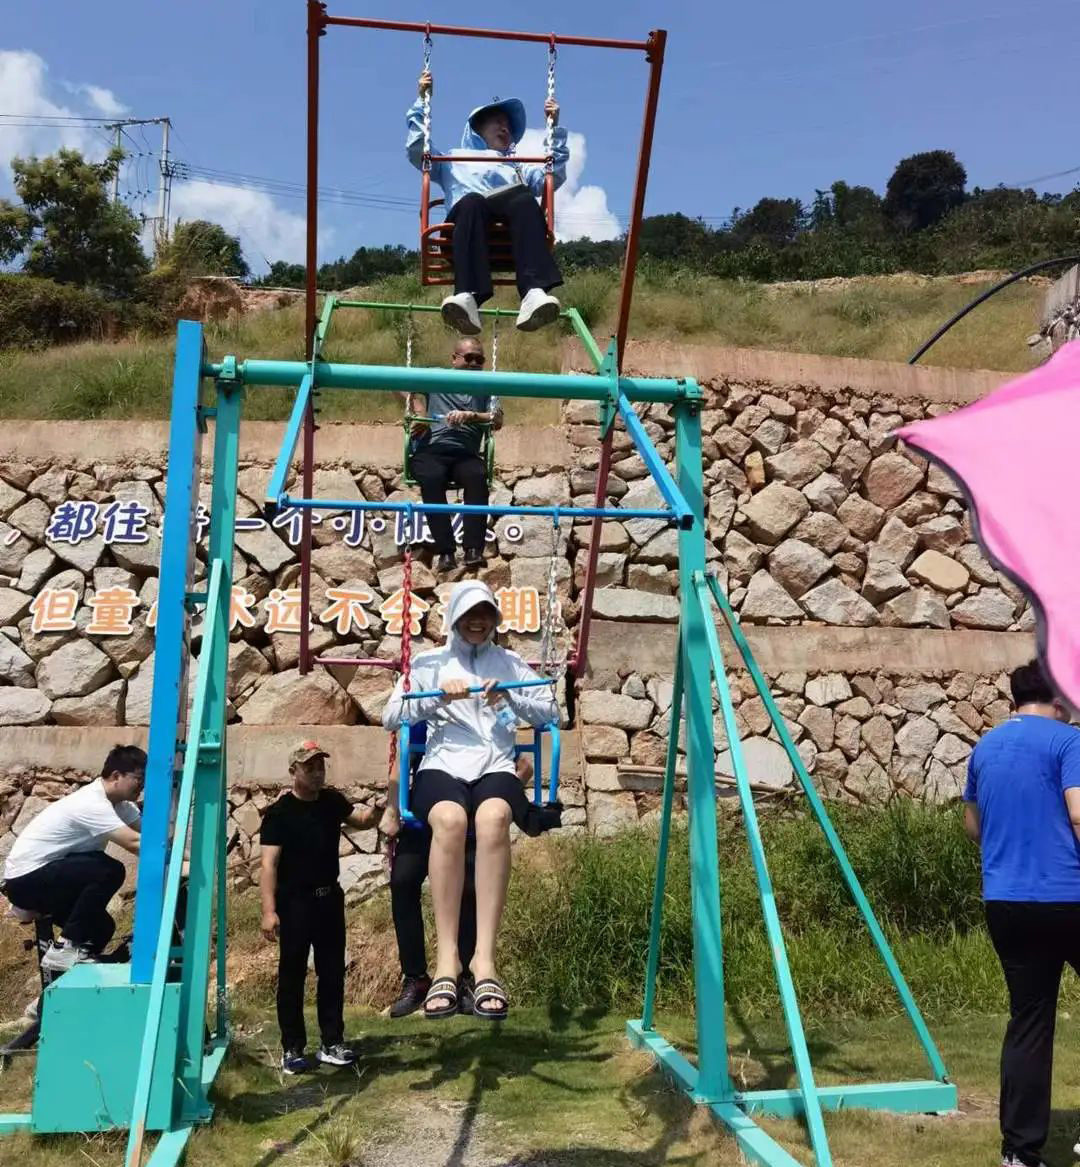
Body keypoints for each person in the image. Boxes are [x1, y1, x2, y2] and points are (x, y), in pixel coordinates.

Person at [382, 579, 558, 1020]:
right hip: (443, 764)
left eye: (485, 615)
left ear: (495, 620)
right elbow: (391, 715)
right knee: (450, 820)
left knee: (495, 817)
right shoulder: (429, 663)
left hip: (495, 764)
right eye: (469, 615)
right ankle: (447, 961)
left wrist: (510, 697)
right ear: (454, 619)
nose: (477, 622)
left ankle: (484, 960)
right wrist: (435, 699)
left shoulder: (511, 663)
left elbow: (551, 711)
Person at [963, 660, 1080, 1167]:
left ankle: (1020, 1151)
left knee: (1029, 1019)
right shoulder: (1068, 742)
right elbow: (1079, 812)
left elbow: (972, 824)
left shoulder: (985, 747)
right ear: (1057, 699)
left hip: (1006, 901)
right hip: (1068, 896)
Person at [382, 721, 538, 1018]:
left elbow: (521, 766)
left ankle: (465, 979)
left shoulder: (490, 718)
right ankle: (416, 977)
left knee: (467, 889)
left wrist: (499, 794)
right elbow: (400, 762)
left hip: (467, 821)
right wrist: (392, 809)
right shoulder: (429, 714)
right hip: (428, 817)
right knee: (403, 880)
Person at [407, 72, 568, 335]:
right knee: (472, 202)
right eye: (498, 122)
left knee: (524, 199)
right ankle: (468, 296)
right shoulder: (453, 159)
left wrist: (555, 130)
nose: (505, 128)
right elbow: (418, 150)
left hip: (508, 237)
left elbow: (551, 178)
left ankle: (534, 292)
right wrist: (421, 101)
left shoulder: (517, 166)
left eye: (508, 125)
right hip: (468, 229)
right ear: (477, 128)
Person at [259, 740, 381, 1074]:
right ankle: (292, 1048)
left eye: (321, 766)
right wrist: (269, 911)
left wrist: (379, 808)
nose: (317, 773)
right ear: (293, 771)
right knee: (292, 974)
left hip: (329, 899)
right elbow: (268, 865)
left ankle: (332, 1042)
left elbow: (361, 819)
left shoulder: (331, 801)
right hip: (294, 902)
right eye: (309, 767)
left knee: (332, 971)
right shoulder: (279, 813)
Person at [0, 744, 145, 976]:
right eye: (139, 778)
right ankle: (65, 947)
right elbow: (136, 843)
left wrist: (188, 856)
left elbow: (155, 838)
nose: (143, 785)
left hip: (48, 877)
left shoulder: (121, 806)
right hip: (25, 881)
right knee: (109, 870)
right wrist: (188, 865)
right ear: (117, 775)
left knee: (101, 928)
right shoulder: (92, 802)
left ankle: (61, 988)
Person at [404, 336, 502, 575]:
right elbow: (398, 382)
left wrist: (471, 416)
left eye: (479, 359)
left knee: (476, 476)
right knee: (431, 477)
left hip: (465, 453)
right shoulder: (438, 377)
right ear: (454, 359)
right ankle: (445, 551)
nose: (474, 363)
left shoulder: (487, 385)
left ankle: (473, 550)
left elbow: (497, 419)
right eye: (469, 358)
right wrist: (419, 409)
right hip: (432, 449)